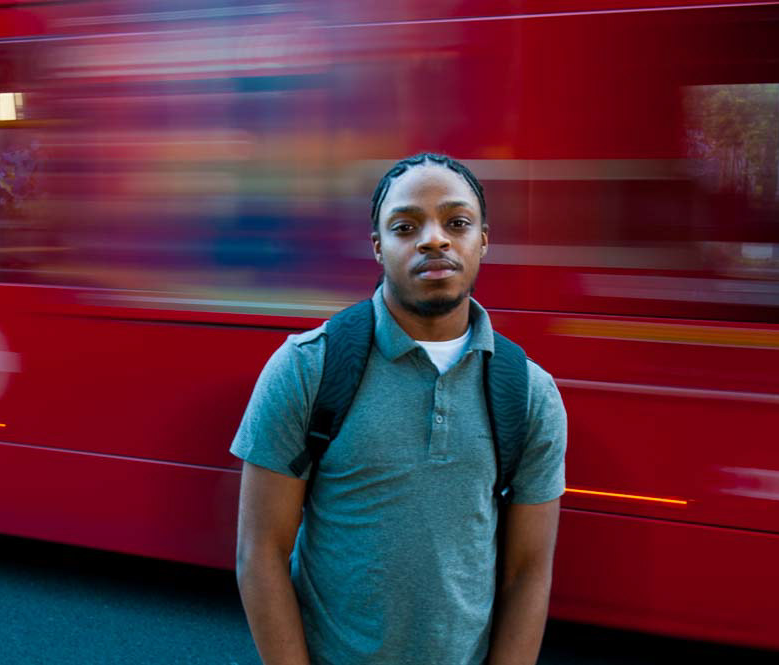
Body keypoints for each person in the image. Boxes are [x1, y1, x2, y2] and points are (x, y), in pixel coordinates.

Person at [231, 153, 567, 665]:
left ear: (483, 240)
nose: (434, 239)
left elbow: (529, 573)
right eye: (406, 227)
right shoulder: (306, 368)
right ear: (378, 246)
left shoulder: (529, 393)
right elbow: (260, 552)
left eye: (457, 223)